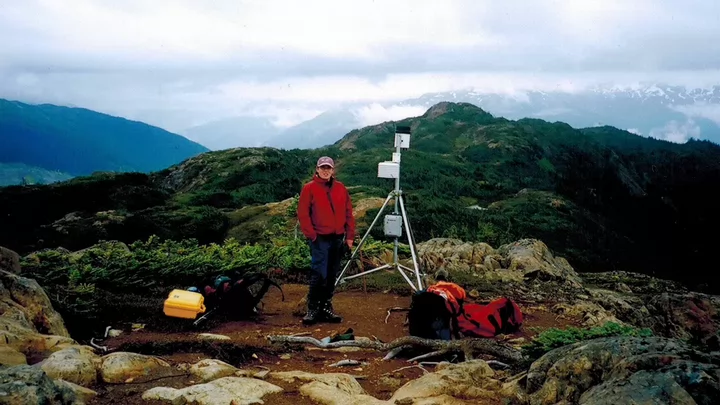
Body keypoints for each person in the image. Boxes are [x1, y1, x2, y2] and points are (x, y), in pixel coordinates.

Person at [297, 156, 356, 325]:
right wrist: (312, 236)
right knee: (319, 273)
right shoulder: (309, 188)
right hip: (320, 239)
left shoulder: (340, 188)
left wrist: (349, 237)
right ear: (317, 169)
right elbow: (303, 214)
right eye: (322, 167)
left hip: (337, 238)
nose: (325, 170)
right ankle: (313, 308)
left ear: (333, 170)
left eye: (328, 168)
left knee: (331, 275)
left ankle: (326, 307)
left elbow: (348, 213)